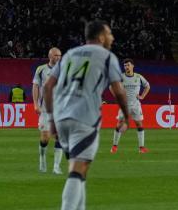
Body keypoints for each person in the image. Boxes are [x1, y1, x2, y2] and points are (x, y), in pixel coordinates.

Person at [43, 20, 135, 210]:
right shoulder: (106, 57)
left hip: (62, 118)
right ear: (101, 36)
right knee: (78, 170)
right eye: (109, 34)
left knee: (80, 169)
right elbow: (118, 91)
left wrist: (52, 119)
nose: (112, 37)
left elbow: (48, 86)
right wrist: (126, 117)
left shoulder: (69, 55)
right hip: (84, 119)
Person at [111, 59, 151, 154]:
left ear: (132, 66)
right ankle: (114, 147)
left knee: (139, 124)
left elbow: (147, 86)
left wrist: (142, 96)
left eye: (128, 65)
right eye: (125, 66)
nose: (126, 67)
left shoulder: (138, 77)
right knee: (119, 124)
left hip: (136, 105)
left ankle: (141, 148)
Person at [33, 47, 63, 174]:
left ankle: (56, 166)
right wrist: (35, 104)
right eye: (56, 55)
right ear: (50, 56)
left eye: (60, 55)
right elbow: (35, 86)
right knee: (45, 138)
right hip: (45, 109)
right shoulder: (41, 70)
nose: (59, 57)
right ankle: (42, 158)